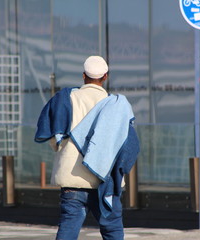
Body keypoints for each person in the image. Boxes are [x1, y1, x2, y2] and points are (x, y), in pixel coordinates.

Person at [35, 56, 140, 240]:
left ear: (83, 75)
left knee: (68, 227)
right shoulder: (117, 105)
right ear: (105, 77)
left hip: (73, 179)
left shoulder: (66, 98)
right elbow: (128, 144)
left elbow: (54, 137)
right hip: (106, 179)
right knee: (113, 231)